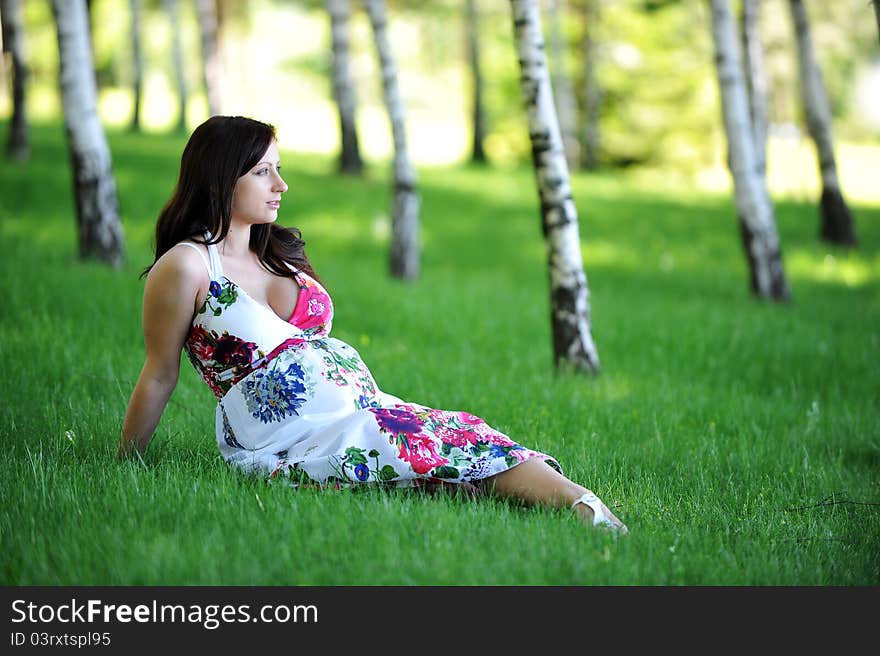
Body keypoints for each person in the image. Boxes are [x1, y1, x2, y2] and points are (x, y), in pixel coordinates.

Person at [118, 115, 628, 534]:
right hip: (293, 432)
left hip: (361, 407)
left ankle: (582, 505)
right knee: (429, 445)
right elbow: (160, 372)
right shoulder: (187, 267)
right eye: (262, 172)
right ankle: (583, 510)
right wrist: (124, 465)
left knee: (463, 431)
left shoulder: (274, 254)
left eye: (280, 168)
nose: (281, 184)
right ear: (220, 177)